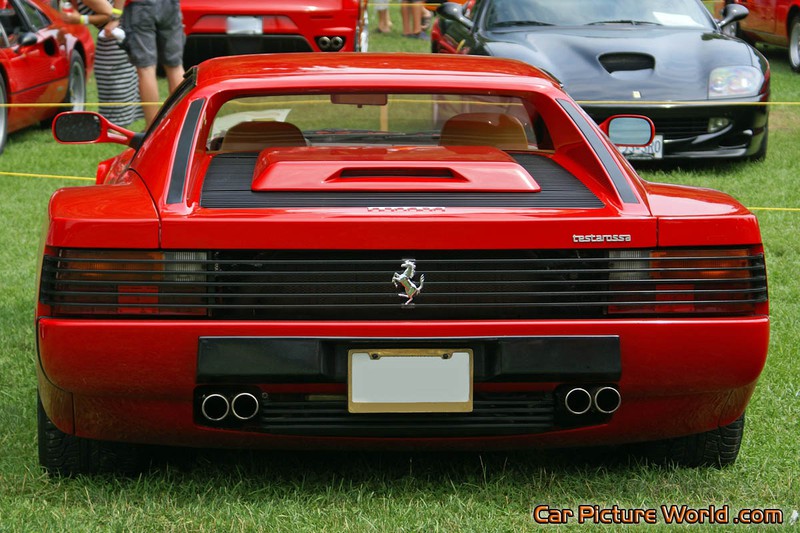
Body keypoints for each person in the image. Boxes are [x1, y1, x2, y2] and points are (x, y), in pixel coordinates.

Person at [61, 0, 144, 126]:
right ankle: (115, 123)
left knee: (111, 77)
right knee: (117, 77)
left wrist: (81, 19)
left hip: (114, 34)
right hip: (116, 32)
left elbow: (110, 14)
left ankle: (114, 125)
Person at [108, 0, 185, 127]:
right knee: (175, 66)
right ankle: (181, 125)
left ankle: (152, 129)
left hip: (141, 7)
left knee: (146, 69)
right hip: (170, 5)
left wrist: (115, 15)